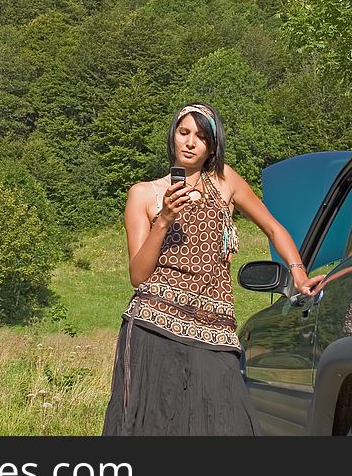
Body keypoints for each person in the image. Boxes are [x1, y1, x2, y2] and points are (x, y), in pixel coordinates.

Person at [102, 102, 325, 435]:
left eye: (201, 137)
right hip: (153, 328)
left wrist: (298, 273)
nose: (191, 142)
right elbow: (138, 275)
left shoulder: (226, 181)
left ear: (212, 146)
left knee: (230, 424)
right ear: (173, 137)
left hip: (215, 331)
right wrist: (163, 220)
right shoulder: (143, 194)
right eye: (184, 133)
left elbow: (274, 228)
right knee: (155, 428)